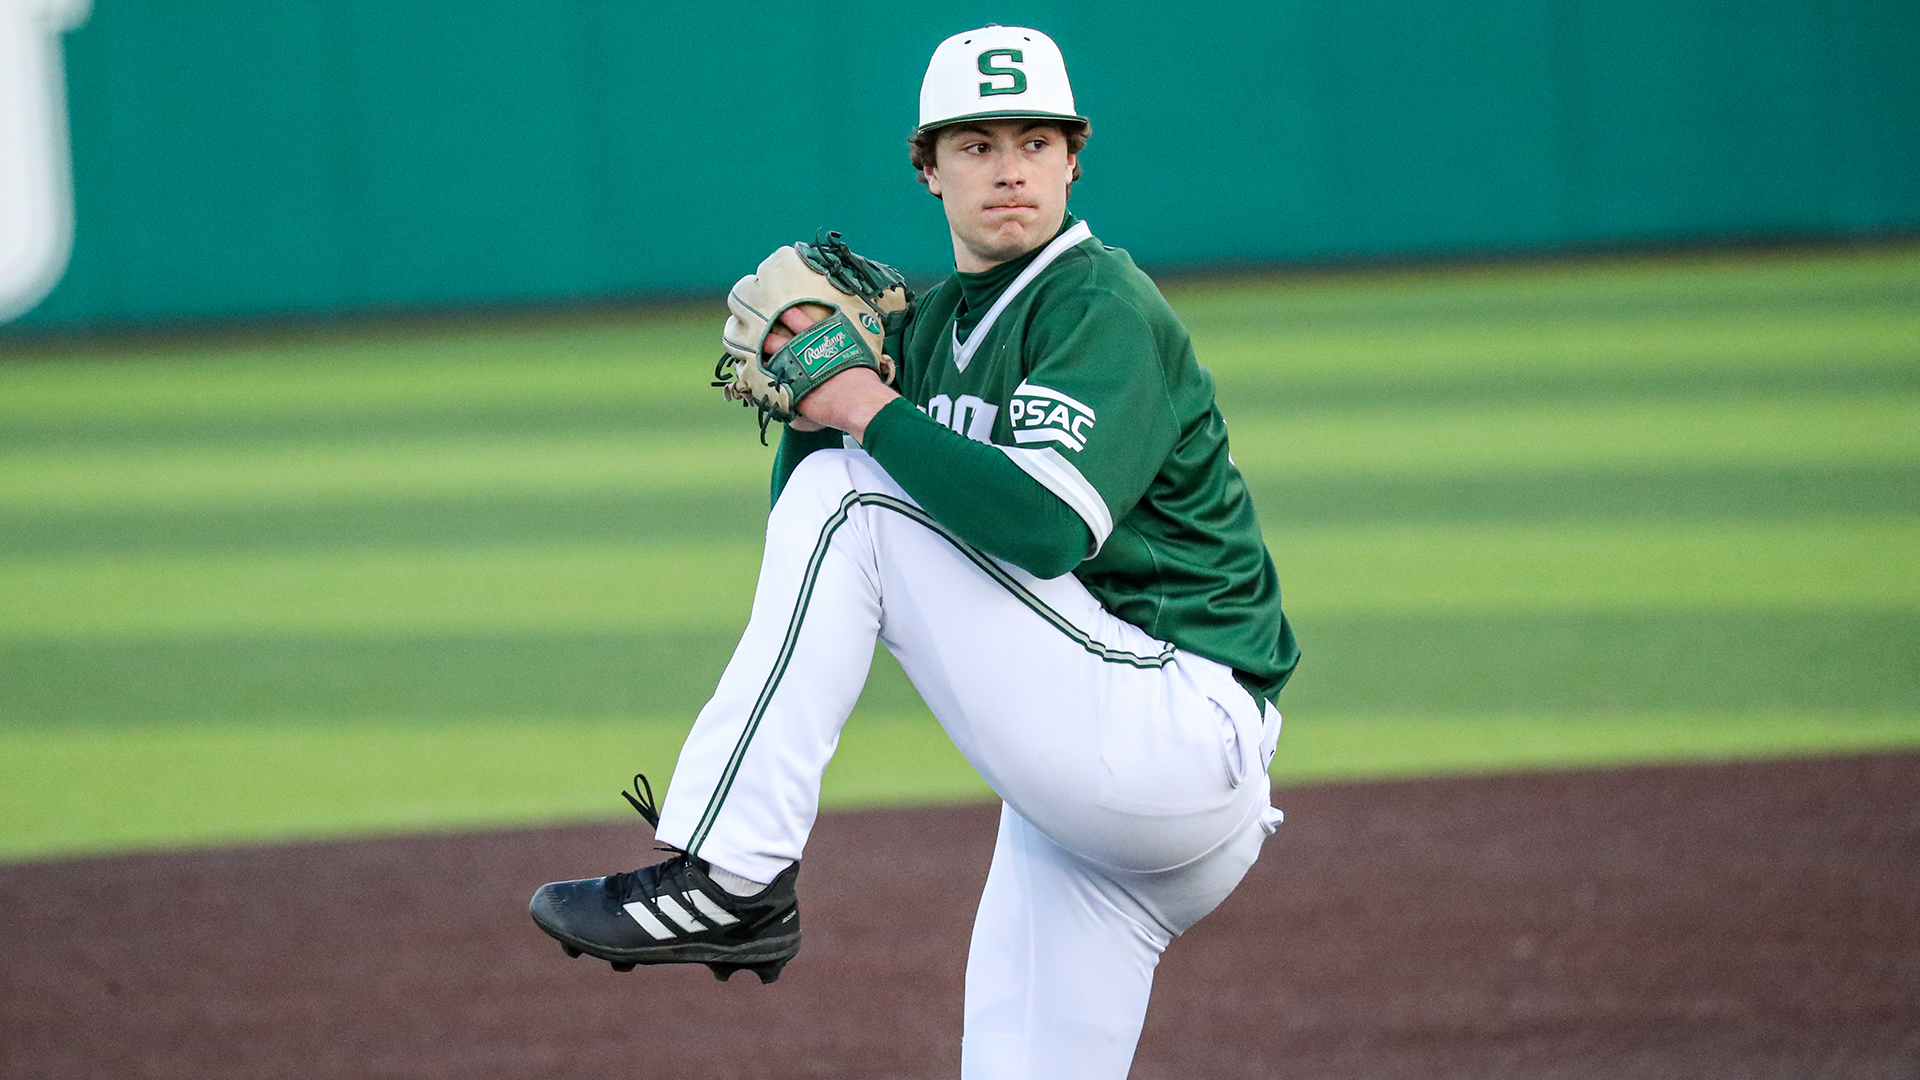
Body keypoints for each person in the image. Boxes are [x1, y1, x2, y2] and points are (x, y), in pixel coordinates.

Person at [531, 24, 1299, 1079]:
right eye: (976, 145)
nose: (1010, 168)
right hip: (1080, 807)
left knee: (856, 497)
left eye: (1034, 141)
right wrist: (814, 405)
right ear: (926, 167)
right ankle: (738, 869)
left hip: (1175, 728)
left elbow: (1038, 528)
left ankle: (734, 871)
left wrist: (864, 409)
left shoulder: (1098, 303)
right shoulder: (925, 326)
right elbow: (807, 531)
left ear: (1075, 157)